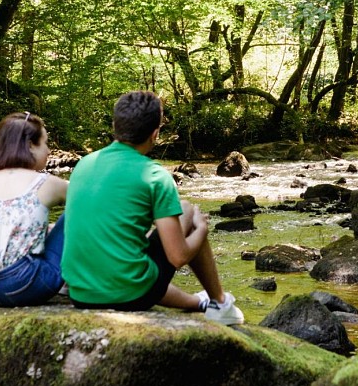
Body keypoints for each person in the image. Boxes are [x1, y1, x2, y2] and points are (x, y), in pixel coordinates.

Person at [61, 90, 244, 325]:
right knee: (187, 210)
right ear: (155, 134)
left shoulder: (84, 165)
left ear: (115, 126)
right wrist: (201, 230)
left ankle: (199, 302)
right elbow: (177, 257)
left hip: (81, 294)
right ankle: (220, 302)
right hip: (131, 296)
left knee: (126, 257)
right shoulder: (155, 175)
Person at [0, 112, 69, 307]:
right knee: (75, 212)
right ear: (30, 145)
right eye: (45, 143)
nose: (48, 151)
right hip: (23, 286)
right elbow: (90, 201)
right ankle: (71, 281)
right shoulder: (47, 183)